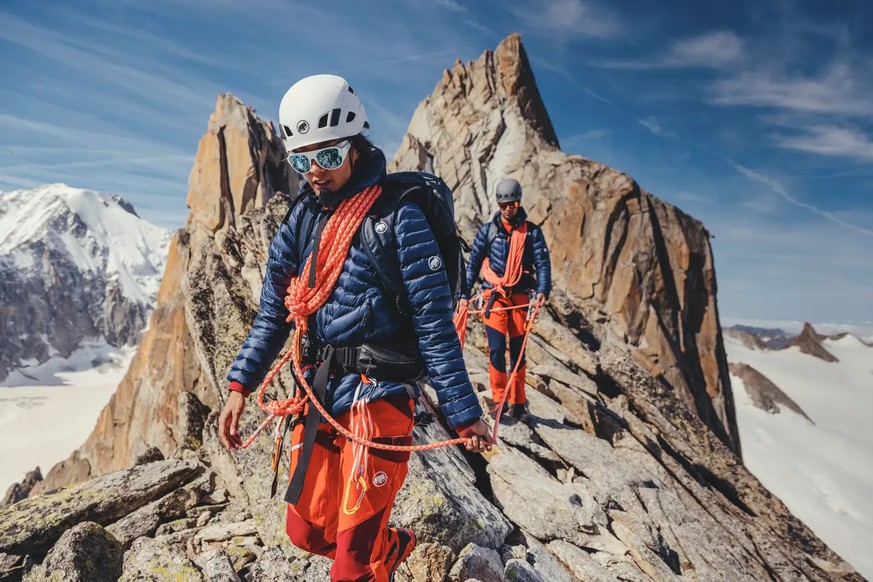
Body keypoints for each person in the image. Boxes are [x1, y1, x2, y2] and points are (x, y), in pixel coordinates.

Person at [217, 74, 494, 582]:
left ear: (354, 145)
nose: (314, 172)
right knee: (307, 533)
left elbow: (434, 323)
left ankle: (369, 561)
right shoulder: (303, 218)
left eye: (327, 155)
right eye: (301, 160)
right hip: (320, 392)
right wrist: (240, 385)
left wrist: (463, 414)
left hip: (379, 397)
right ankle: (389, 548)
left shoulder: (399, 217)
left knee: (351, 567)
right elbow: (274, 313)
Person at [459, 178, 551, 423]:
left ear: (519, 202)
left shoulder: (532, 233)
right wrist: (464, 295)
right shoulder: (488, 231)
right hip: (495, 297)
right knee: (497, 350)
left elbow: (542, 264)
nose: (509, 208)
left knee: (518, 353)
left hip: (521, 297)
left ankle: (519, 404)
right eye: (504, 204)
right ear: (499, 204)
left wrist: (542, 290)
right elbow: (473, 265)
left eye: (513, 203)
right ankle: (500, 402)